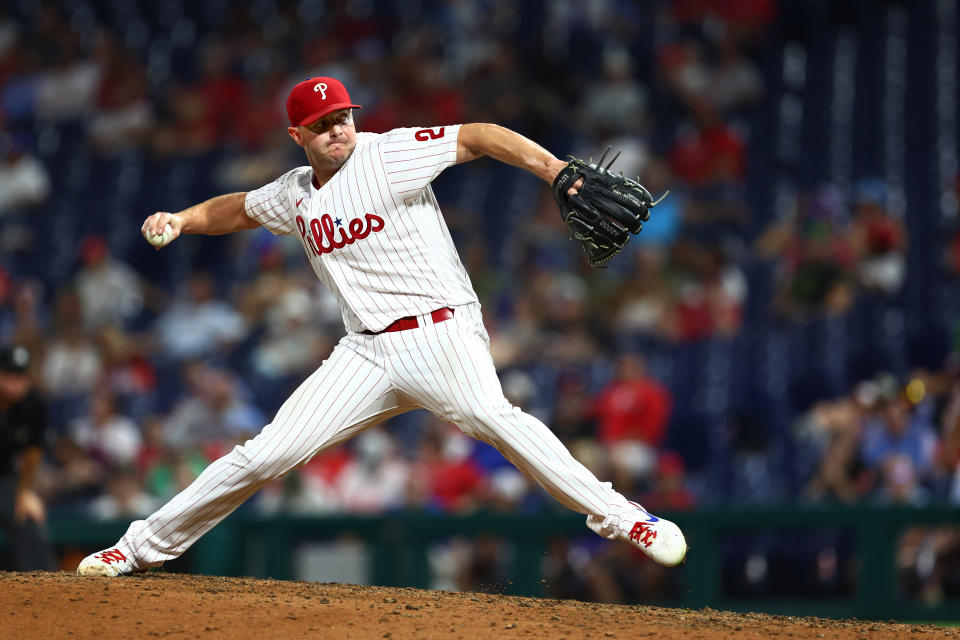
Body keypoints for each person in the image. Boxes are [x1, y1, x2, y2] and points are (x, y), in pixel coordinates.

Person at [77, 76, 687, 577]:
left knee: (500, 422)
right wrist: (182, 219)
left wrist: (554, 169)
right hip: (364, 353)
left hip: (441, 333)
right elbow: (236, 208)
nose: (339, 127)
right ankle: (137, 548)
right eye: (322, 123)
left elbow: (477, 136)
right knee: (265, 455)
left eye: (343, 115)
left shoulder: (387, 153)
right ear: (297, 135)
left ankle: (626, 517)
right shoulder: (295, 193)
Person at [0, 344, 56, 571]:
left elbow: (33, 452)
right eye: (11, 375)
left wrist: (25, 492)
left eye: (22, 375)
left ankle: (46, 593)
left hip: (4, 477)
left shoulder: (33, 403)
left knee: (29, 520)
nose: (18, 382)